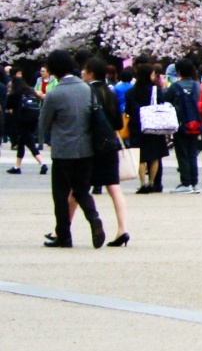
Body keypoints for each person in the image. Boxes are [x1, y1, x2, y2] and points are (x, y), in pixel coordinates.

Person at [37, 49, 106, 249]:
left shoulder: (55, 94)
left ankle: (64, 236)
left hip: (63, 149)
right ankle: (94, 218)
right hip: (86, 148)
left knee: (60, 194)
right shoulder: (86, 89)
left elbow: (44, 124)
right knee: (82, 190)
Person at [81, 57, 129, 246]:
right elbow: (118, 123)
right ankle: (122, 229)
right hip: (110, 145)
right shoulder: (111, 93)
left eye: (84, 70)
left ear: (91, 72)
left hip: (92, 145)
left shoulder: (87, 92)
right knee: (114, 187)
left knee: (78, 188)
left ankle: (63, 227)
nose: (82, 73)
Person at [124, 63, 169, 194]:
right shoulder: (156, 90)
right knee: (155, 155)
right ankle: (152, 182)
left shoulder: (131, 92)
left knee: (140, 156)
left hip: (137, 127)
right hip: (154, 126)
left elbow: (128, 110)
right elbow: (162, 104)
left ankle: (143, 183)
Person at [164, 57, 202, 192]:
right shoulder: (197, 85)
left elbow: (166, 100)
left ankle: (185, 182)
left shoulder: (175, 86)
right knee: (192, 153)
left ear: (178, 71)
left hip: (180, 124)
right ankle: (195, 183)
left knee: (182, 153)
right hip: (195, 123)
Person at [5, 75, 47, 175]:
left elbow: (8, 108)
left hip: (21, 121)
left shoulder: (14, 94)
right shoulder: (30, 92)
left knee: (30, 143)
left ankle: (42, 163)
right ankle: (17, 166)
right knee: (21, 142)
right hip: (33, 120)